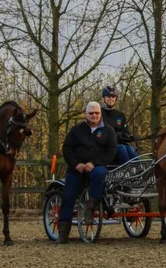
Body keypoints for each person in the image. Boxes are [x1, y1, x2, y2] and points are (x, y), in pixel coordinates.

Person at [56, 101, 117, 244]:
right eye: (91, 113)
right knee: (68, 195)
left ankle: (90, 208)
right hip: (77, 168)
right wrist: (76, 164)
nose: (94, 115)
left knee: (100, 174)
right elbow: (67, 149)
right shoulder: (76, 130)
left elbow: (111, 151)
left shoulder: (109, 131)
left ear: (100, 114)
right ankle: (63, 233)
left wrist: (94, 163)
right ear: (85, 114)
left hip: (97, 167)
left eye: (97, 113)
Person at [100, 86, 137, 164]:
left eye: (113, 97)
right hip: (106, 145)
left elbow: (125, 130)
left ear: (116, 99)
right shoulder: (98, 113)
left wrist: (128, 136)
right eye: (108, 96)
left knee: (130, 149)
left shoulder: (120, 115)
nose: (111, 99)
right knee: (122, 148)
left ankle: (141, 169)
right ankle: (128, 171)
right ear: (103, 98)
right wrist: (115, 135)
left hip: (120, 143)